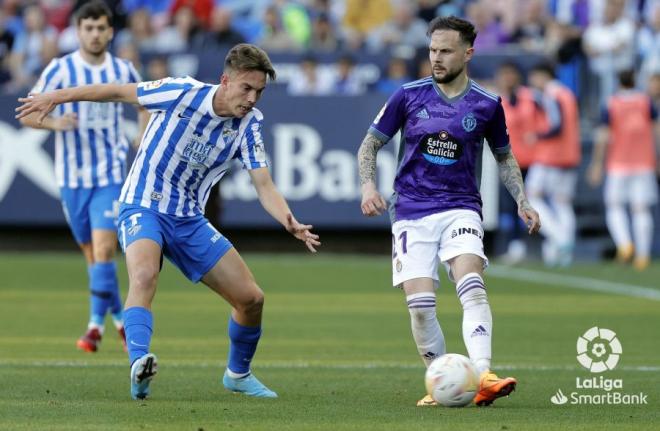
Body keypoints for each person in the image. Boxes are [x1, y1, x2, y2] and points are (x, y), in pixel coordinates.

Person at [17, 43, 320, 401]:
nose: (252, 98)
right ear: (225, 81)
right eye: (246, 88)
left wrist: (289, 220)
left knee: (251, 299)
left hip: (189, 218)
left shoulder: (249, 126)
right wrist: (57, 96)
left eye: (259, 92)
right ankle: (139, 364)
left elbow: (264, 184)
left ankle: (238, 374)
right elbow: (116, 92)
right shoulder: (181, 92)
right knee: (144, 276)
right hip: (142, 204)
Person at [356, 16, 540, 407]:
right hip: (410, 211)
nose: (436, 58)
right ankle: (444, 382)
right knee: (421, 309)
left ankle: (485, 372)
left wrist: (523, 200)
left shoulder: (487, 104)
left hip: (460, 207)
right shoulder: (408, 95)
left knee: (470, 280)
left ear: (467, 53)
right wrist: (368, 185)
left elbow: (505, 159)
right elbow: (369, 145)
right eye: (432, 50)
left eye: (445, 51)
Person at [18, 1, 149, 353]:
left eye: (100, 28)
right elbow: (28, 113)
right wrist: (54, 122)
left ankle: (94, 328)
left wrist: (141, 137)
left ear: (109, 31)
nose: (94, 34)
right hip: (71, 178)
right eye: (88, 28)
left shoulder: (123, 68)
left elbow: (145, 105)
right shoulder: (61, 70)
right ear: (78, 32)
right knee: (93, 256)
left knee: (105, 249)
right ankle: (121, 321)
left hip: (110, 173)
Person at [587, 70, 659, 270]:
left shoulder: (611, 103)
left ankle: (625, 243)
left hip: (618, 163)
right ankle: (643, 256)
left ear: (618, 81)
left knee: (614, 206)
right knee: (641, 209)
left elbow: (603, 136)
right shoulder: (646, 102)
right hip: (644, 162)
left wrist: (596, 164)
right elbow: (656, 132)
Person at [526, 62, 581, 267]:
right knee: (562, 203)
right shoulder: (567, 93)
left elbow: (557, 125)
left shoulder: (552, 94)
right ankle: (566, 250)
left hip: (551, 156)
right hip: (569, 155)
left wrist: (537, 135)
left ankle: (560, 239)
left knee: (531, 196)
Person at [495, 61, 537, 263]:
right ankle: (516, 246)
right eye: (505, 74)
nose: (508, 78)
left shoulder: (531, 98)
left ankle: (546, 244)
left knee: (534, 202)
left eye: (511, 74)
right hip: (508, 161)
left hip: (533, 160)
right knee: (511, 205)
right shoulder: (495, 100)